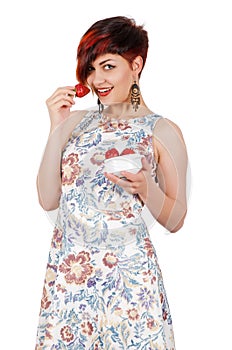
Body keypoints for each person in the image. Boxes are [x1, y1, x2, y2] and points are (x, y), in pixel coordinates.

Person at [35, 16, 188, 349]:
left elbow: (175, 219)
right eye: (90, 69)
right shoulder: (75, 123)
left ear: (136, 64)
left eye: (107, 66)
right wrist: (56, 127)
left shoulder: (161, 131)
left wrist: (147, 188)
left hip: (131, 286)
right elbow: (48, 199)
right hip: (70, 284)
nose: (96, 80)